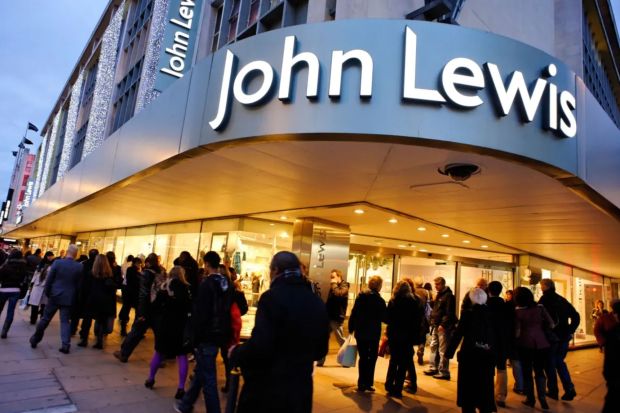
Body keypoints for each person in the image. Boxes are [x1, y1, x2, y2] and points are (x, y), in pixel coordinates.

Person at [226, 251, 329, 413]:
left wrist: (238, 352)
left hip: (269, 389)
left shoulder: (271, 298)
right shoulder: (317, 303)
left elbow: (261, 344)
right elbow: (321, 350)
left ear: (275, 270)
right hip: (300, 391)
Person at [174, 251, 235, 413]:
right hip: (220, 334)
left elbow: (200, 314)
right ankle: (186, 404)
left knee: (208, 379)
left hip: (206, 335)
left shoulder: (206, 284)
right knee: (202, 371)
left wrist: (194, 337)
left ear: (207, 264)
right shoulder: (227, 284)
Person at [446, 288, 497, 413]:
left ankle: (469, 407)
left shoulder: (468, 314)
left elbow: (458, 334)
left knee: (468, 386)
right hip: (487, 355)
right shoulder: (491, 314)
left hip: (469, 355)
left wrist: (449, 352)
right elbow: (497, 335)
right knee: (485, 385)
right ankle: (485, 406)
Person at [145, 266, 192, 400]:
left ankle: (151, 379)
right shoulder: (186, 289)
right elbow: (190, 308)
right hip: (181, 327)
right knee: (182, 356)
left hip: (165, 326)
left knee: (159, 352)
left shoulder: (164, 288)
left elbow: (154, 307)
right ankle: (181, 388)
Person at [30, 244, 83, 353]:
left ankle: (35, 339)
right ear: (76, 254)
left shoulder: (57, 263)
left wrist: (48, 293)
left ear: (67, 251)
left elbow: (49, 280)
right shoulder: (79, 266)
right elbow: (79, 285)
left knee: (45, 319)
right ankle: (65, 345)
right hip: (68, 297)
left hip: (55, 295)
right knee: (65, 321)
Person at [114, 253, 165, 362]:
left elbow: (143, 294)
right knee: (160, 335)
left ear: (147, 262)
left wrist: (141, 311)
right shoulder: (162, 272)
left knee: (136, 332)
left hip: (147, 309)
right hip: (159, 309)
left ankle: (124, 353)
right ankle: (161, 359)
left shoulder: (146, 274)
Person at [538, 278, 580, 401]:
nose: (541, 288)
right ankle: (569, 388)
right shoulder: (562, 300)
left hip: (552, 337)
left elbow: (541, 318)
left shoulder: (544, 300)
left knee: (550, 364)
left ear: (546, 286)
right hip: (564, 337)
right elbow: (576, 315)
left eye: (541, 286)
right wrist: (570, 330)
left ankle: (553, 391)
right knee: (559, 362)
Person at [514, 287, 555, 410]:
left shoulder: (517, 312)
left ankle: (530, 399)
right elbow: (552, 324)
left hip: (525, 344)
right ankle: (543, 399)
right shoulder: (540, 308)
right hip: (542, 343)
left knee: (527, 372)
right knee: (539, 371)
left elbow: (517, 332)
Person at [384, 280, 424, 398]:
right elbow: (417, 321)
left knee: (393, 361)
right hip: (408, 337)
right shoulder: (414, 302)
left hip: (395, 335)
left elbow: (387, 319)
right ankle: (397, 389)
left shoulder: (393, 301)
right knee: (403, 364)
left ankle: (389, 384)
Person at [348, 275, 386, 392]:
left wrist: (351, 328)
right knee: (372, 357)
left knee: (363, 357)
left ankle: (361, 383)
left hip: (361, 332)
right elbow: (385, 317)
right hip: (373, 333)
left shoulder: (361, 297)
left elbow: (354, 313)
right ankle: (369, 382)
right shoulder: (380, 301)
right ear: (378, 286)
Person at [221, 266, 249, 393]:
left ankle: (230, 383)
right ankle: (230, 383)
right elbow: (244, 309)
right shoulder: (237, 292)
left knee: (225, 355)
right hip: (231, 326)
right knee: (228, 357)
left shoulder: (219, 290)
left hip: (221, 327)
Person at [425, 276, 457, 380]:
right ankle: (433, 367)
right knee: (434, 346)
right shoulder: (439, 295)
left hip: (443, 327)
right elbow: (436, 310)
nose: (436, 286)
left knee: (443, 349)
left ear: (443, 284)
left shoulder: (448, 296)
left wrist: (443, 324)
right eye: (435, 284)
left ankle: (444, 371)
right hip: (436, 324)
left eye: (437, 284)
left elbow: (449, 312)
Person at [82, 254, 117, 349]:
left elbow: (86, 287)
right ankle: (99, 341)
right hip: (104, 300)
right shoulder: (109, 275)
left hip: (92, 299)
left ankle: (84, 339)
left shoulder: (91, 274)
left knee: (87, 320)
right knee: (101, 320)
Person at [486, 281, 510, 408]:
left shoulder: (485, 305)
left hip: (488, 342)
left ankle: (487, 394)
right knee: (501, 368)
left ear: (489, 290)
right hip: (502, 341)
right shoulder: (506, 306)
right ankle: (501, 396)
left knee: (487, 369)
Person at [318, 269, 349, 367]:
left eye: (333, 277)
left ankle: (347, 360)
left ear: (339, 277)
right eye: (331, 277)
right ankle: (320, 360)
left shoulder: (344, 286)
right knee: (323, 338)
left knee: (340, 339)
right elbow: (330, 302)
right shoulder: (334, 287)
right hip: (329, 316)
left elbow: (339, 294)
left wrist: (334, 285)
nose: (331, 279)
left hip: (336, 317)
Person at [594, 299, 620, 413]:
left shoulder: (606, 316)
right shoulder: (605, 317)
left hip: (612, 350)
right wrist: (603, 343)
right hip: (611, 349)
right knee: (611, 374)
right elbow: (597, 330)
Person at [0, 249, 27, 338]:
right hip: (15, 290)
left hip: (4, 290)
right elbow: (24, 279)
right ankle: (5, 331)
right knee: (10, 311)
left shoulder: (6, 265)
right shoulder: (23, 267)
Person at [75, 249, 98, 346]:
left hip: (83, 292)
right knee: (88, 317)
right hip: (93, 294)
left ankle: (79, 333)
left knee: (78, 313)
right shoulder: (99, 266)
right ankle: (85, 336)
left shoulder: (83, 264)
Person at [28, 251, 55, 325]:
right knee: (34, 305)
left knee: (44, 306)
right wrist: (31, 285)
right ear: (46, 256)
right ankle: (33, 319)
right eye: (49, 256)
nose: (50, 257)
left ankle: (42, 320)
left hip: (46, 287)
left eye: (51, 256)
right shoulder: (41, 264)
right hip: (37, 286)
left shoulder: (54, 265)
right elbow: (35, 274)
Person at [118, 256, 142, 336]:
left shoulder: (131, 270)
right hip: (132, 293)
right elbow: (134, 281)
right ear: (136, 263)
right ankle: (129, 329)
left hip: (128, 292)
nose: (140, 265)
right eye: (139, 263)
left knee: (126, 309)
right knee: (129, 310)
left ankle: (124, 328)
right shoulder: (133, 270)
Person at [413, 277, 432, 365]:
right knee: (422, 337)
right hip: (423, 318)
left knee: (412, 336)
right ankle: (421, 349)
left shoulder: (412, 291)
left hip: (414, 318)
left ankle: (411, 352)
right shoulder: (427, 292)